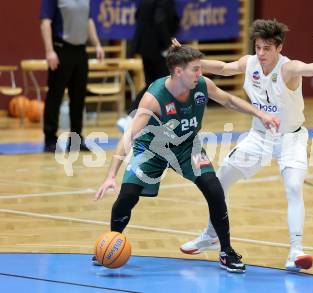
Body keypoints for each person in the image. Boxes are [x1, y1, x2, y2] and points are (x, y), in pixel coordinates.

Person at [93, 46, 280, 273]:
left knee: (214, 188)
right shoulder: (155, 97)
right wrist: (111, 175)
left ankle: (226, 251)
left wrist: (260, 114)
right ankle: (111, 244)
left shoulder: (201, 85)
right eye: (196, 69)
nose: (200, 74)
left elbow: (229, 100)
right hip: (152, 148)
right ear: (178, 71)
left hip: (187, 146)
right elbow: (129, 135)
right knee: (128, 195)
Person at [179, 19, 313, 272]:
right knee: (219, 182)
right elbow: (222, 67)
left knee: (294, 187)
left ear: (278, 48)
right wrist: (191, 60)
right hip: (259, 136)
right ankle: (210, 236)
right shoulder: (250, 63)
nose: (261, 53)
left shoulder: (289, 69)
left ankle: (296, 251)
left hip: (291, 138)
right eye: (258, 47)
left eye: (267, 48)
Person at [40, 0, 104, 152]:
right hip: (61, 49)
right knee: (55, 95)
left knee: (78, 97)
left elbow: (88, 20)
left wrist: (97, 44)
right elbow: (45, 23)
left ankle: (76, 139)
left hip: (80, 51)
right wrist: (49, 51)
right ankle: (50, 138)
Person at [116, 0, 180, 131]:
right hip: (157, 48)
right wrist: (168, 43)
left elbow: (137, 16)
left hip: (145, 47)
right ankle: (131, 118)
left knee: (152, 84)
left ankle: (134, 119)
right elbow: (159, 20)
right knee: (161, 84)